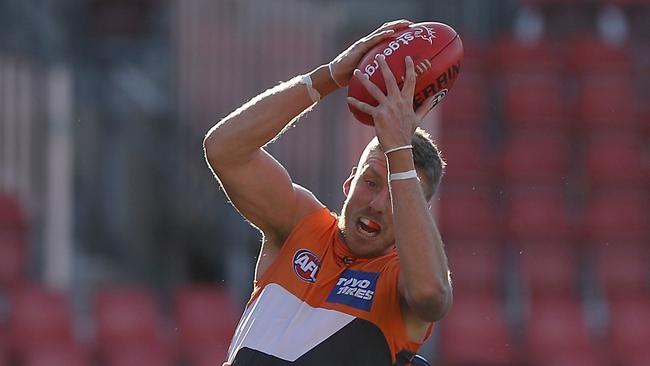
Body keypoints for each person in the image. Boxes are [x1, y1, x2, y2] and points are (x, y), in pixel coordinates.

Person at [203, 19, 452, 366]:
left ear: (417, 213)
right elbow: (223, 149)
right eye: (370, 182)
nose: (379, 204)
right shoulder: (301, 225)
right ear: (349, 183)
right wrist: (327, 78)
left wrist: (399, 153)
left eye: (396, 195)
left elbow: (431, 294)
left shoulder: (399, 282)